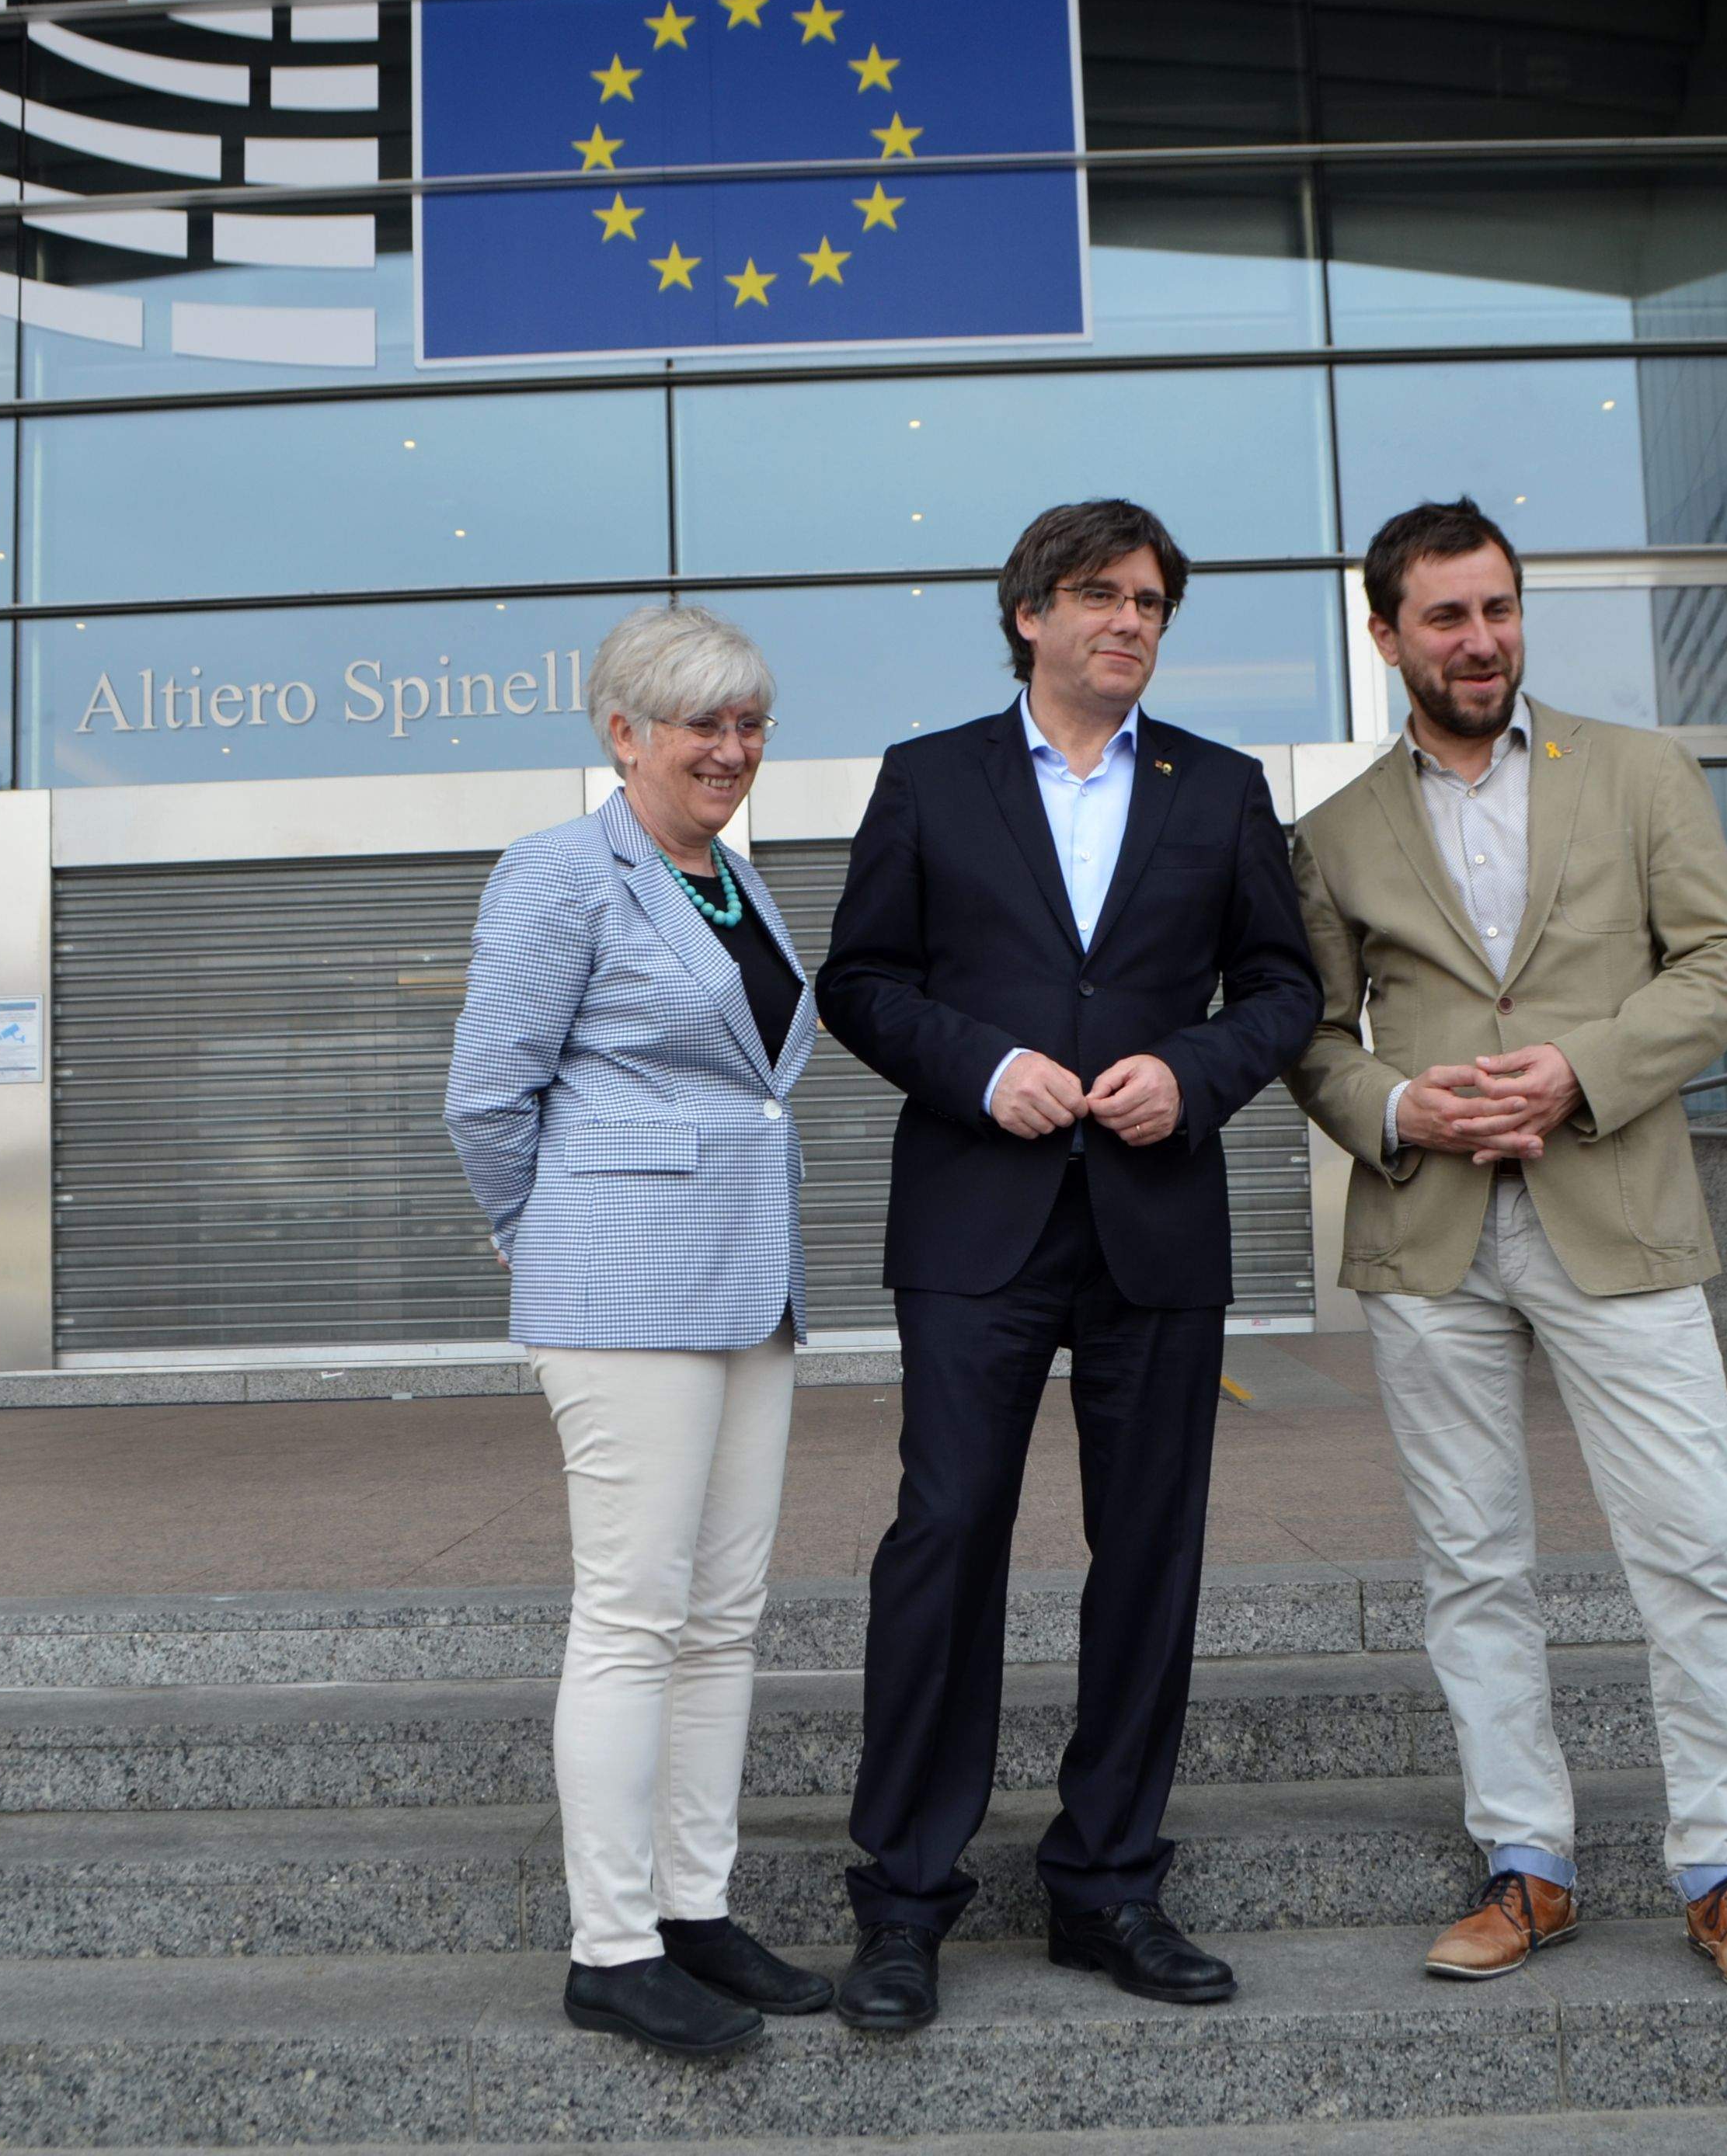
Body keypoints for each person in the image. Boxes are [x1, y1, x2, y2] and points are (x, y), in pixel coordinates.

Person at [1284, 499, 1727, 1996]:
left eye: (1499, 610)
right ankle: (1530, 1868)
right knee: (1472, 1567)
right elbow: (1313, 1040)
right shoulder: (1327, 836)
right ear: (1382, 634)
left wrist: (1582, 1070)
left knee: (1694, 1553)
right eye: (1445, 618)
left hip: (1620, 1212)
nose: (1480, 641)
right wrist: (1401, 1104)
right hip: (1432, 1235)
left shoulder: (1641, 773)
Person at [816, 499, 1321, 2032]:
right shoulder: (928, 779)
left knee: (1149, 1553)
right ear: (1027, 612)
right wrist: (980, 1069)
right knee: (947, 1535)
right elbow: (859, 980)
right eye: (1101, 593)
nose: (1131, 619)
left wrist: (1197, 1069)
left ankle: (1108, 1884)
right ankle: (904, 1900)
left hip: (1154, 1216)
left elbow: (1285, 983)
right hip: (978, 1217)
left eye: (1152, 599)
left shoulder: (1220, 789)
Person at [444, 604, 834, 2060]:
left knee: (722, 1618)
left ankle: (695, 1909)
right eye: (699, 726)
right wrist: (539, 1237)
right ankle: (611, 1944)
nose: (731, 750)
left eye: (748, 725)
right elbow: (488, 1096)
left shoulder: (734, 877)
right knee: (630, 1616)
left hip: (750, 1288)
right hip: (620, 1291)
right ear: (622, 733)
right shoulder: (561, 873)